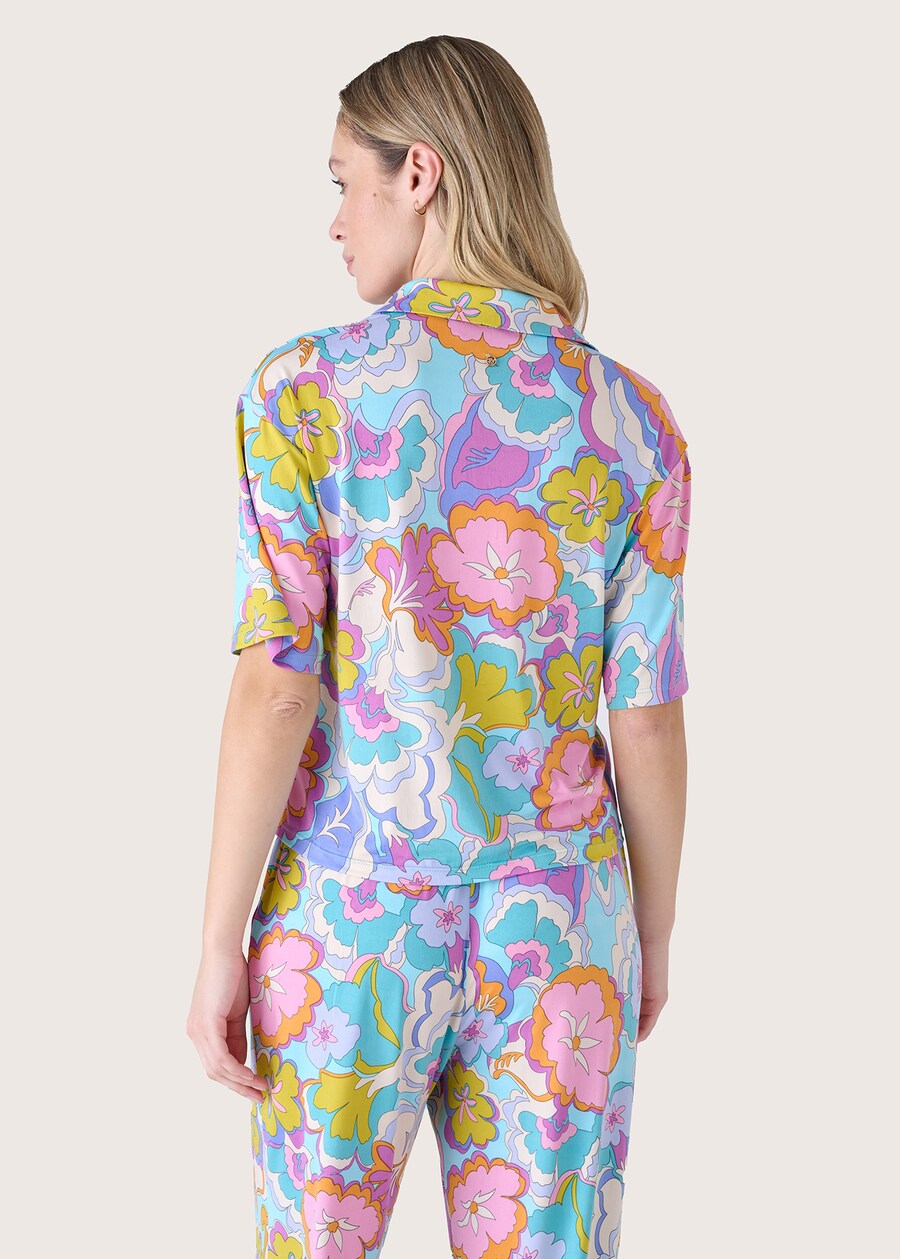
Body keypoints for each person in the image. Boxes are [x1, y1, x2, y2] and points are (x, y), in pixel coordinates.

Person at [187, 34, 690, 1259]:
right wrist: (651, 930)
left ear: (419, 173)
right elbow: (646, 710)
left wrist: (217, 940)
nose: (334, 221)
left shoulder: (303, 391)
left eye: (342, 181)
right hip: (560, 922)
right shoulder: (630, 417)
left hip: (350, 916)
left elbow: (275, 683)